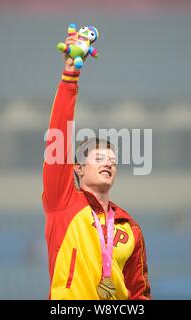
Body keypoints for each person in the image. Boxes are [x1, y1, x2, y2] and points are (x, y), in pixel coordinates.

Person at [42, 34, 151, 300]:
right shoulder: (63, 202)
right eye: (100, 158)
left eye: (113, 160)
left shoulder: (130, 228)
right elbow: (59, 133)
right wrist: (69, 77)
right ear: (77, 168)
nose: (109, 163)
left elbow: (140, 294)